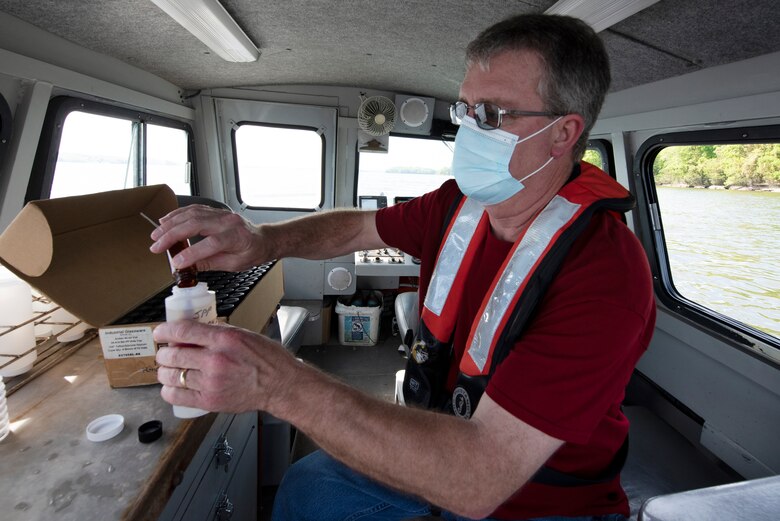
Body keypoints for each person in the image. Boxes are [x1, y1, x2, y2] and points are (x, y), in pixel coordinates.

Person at [149, 13, 655, 521]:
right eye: (466, 109)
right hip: (447, 440)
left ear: (563, 133)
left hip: (537, 500)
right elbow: (356, 228)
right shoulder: (458, 203)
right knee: (307, 487)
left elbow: (481, 477)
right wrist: (262, 241)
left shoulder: (606, 272)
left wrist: (279, 383)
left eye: (492, 115)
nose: (468, 131)